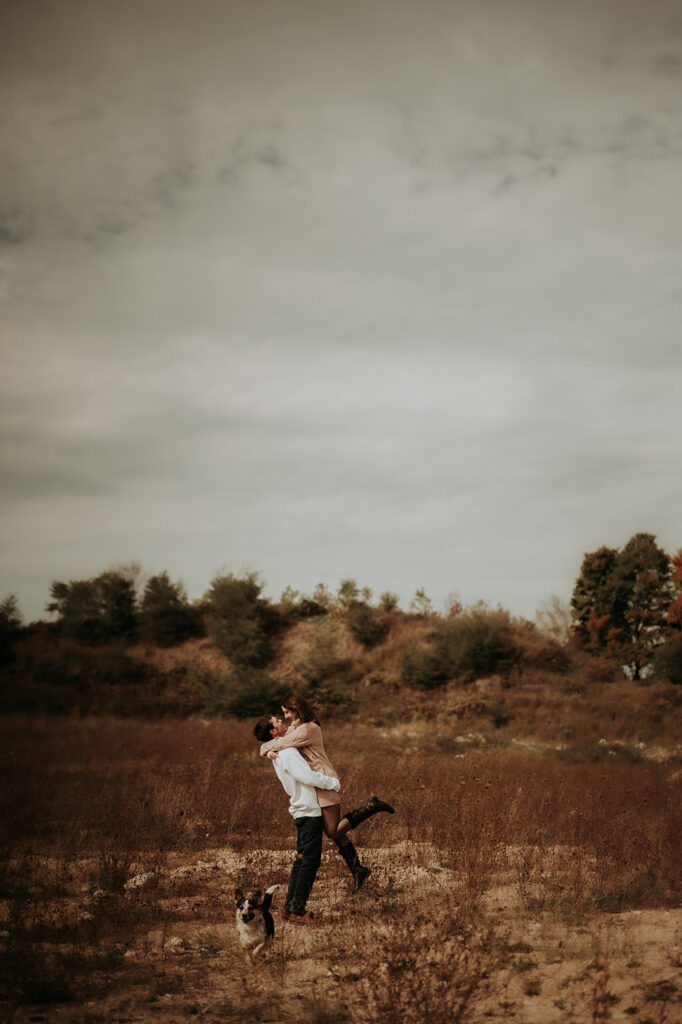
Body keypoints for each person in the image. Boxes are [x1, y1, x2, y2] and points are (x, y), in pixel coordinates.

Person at [258, 691, 395, 893]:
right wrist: (265, 748)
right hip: (317, 783)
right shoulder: (297, 727)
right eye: (282, 714)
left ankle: (371, 807)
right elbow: (281, 740)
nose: (285, 717)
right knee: (334, 833)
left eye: (287, 712)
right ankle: (358, 870)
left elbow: (283, 743)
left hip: (324, 781)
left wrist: (264, 747)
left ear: (296, 709)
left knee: (332, 830)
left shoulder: (308, 728)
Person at [253, 714, 341, 924]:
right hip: (309, 810)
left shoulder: (278, 751)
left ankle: (289, 908)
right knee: (310, 861)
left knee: (301, 861)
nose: (281, 721)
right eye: (277, 721)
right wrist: (332, 783)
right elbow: (306, 776)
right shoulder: (288, 752)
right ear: (274, 732)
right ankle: (296, 911)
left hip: (300, 809)